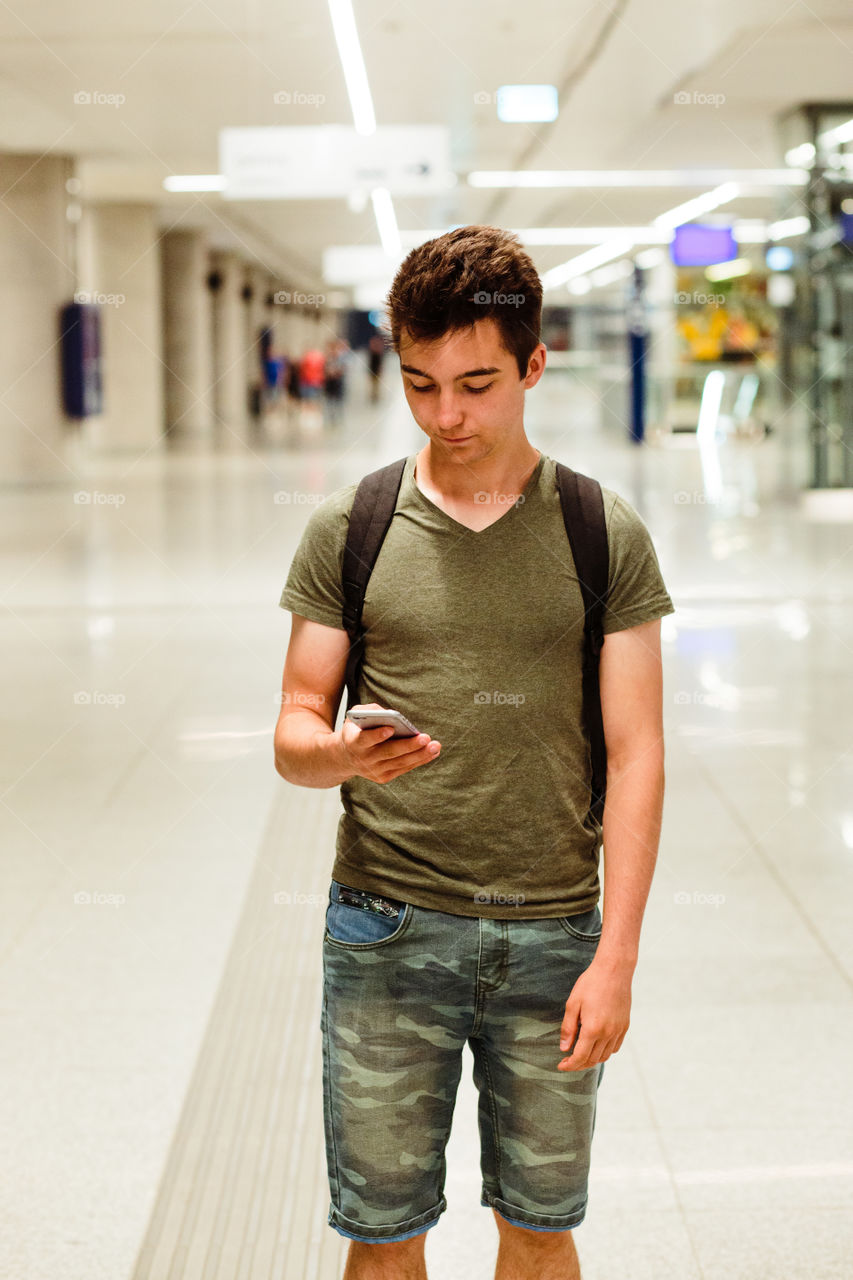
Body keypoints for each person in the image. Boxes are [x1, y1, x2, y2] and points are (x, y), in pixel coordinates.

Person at [274, 225, 675, 1280]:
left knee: (541, 1229)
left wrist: (616, 954)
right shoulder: (353, 523)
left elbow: (637, 756)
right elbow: (293, 728)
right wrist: (341, 758)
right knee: (382, 1234)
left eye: (477, 383)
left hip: (551, 932)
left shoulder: (600, 529)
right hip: (385, 930)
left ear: (535, 365)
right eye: (419, 383)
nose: (446, 415)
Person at [367, 330, 385, 403]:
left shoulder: (377, 353)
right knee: (374, 384)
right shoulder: (375, 353)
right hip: (374, 369)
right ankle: (374, 395)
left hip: (375, 369)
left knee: (375, 384)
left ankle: (375, 395)